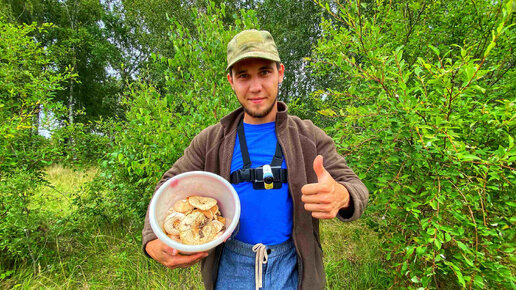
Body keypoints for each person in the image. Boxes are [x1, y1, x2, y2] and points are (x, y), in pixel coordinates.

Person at [142, 29, 369, 290]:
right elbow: (168, 185)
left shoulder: (308, 137)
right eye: (243, 76)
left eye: (264, 72)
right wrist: (152, 240)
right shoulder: (210, 141)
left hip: (292, 267)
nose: (256, 86)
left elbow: (355, 186)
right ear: (231, 81)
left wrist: (343, 195)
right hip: (230, 268)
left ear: (280, 72)